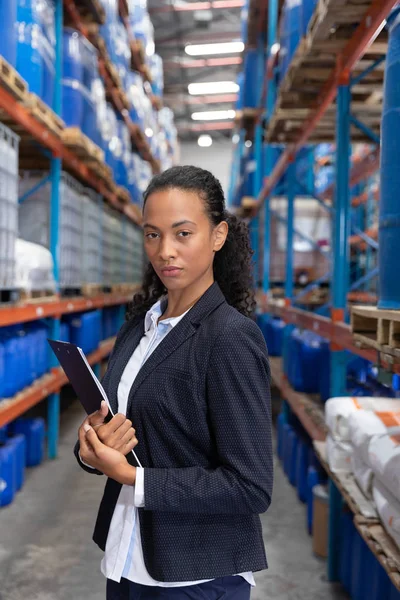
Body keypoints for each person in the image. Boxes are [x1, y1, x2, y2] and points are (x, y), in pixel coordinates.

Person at [74, 165, 273, 599]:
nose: (165, 251)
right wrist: (93, 446)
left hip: (196, 575)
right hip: (127, 557)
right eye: (152, 234)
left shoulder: (229, 338)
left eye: (183, 233)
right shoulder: (140, 326)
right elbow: (124, 426)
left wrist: (130, 476)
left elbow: (250, 486)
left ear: (218, 236)